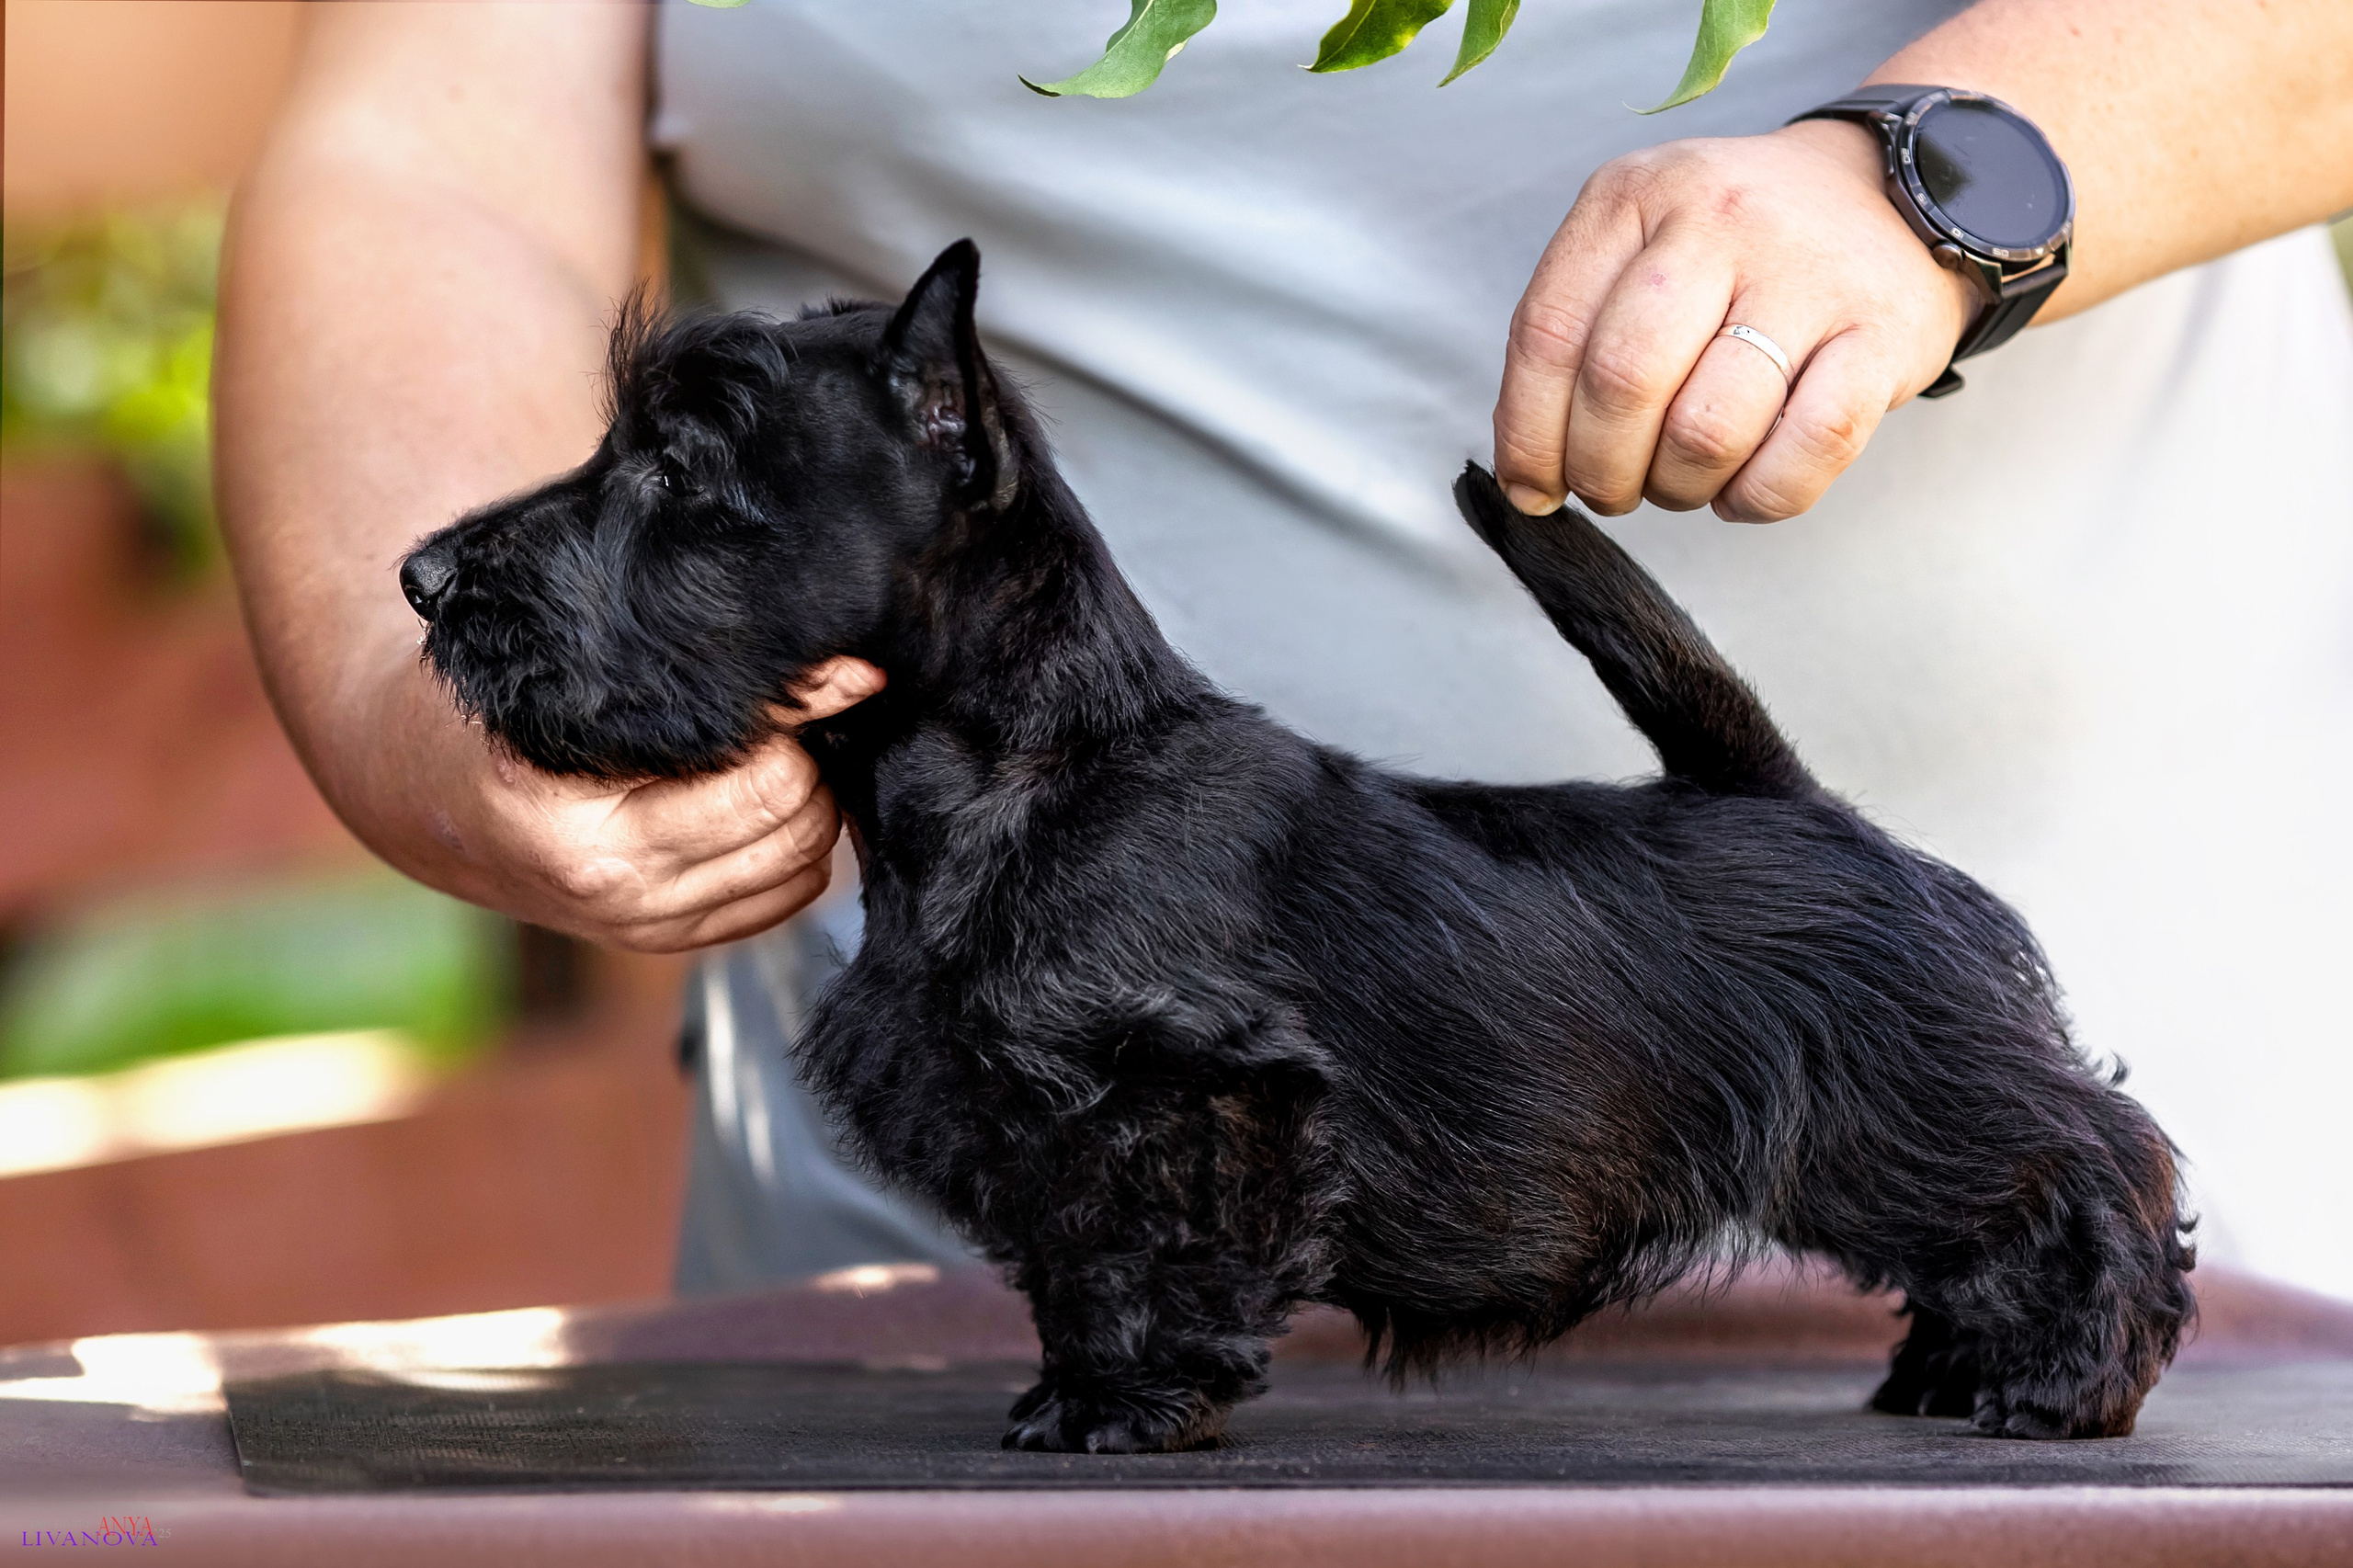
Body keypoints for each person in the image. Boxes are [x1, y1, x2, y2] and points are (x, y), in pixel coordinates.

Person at [215, 1, 2353, 1299]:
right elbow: (431, 152)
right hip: (961, 1304)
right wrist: (428, 698)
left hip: (2112, 1127)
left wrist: (1943, 178)